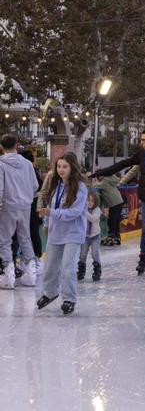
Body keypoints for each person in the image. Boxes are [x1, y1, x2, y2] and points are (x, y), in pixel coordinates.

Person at [90, 127, 145, 275]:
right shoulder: (141, 154)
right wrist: (99, 173)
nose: (141, 143)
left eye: (144, 140)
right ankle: (143, 259)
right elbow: (122, 165)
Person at [36, 153, 88, 315]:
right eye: (59, 166)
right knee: (50, 265)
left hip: (73, 233)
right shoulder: (55, 185)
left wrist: (52, 213)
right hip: (56, 232)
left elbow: (75, 212)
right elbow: (50, 205)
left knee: (67, 267)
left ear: (72, 167)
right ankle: (50, 292)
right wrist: (47, 223)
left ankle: (69, 298)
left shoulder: (80, 187)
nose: (61, 170)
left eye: (65, 166)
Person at [0, 134, 41, 288]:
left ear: (2, 146)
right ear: (17, 145)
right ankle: (31, 275)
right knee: (25, 238)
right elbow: (35, 186)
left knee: (4, 240)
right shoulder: (27, 164)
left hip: (7, 207)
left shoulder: (1, 164)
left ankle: (8, 276)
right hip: (25, 206)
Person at [77, 192, 102, 282]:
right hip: (85, 236)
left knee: (95, 253)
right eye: (88, 201)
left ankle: (97, 270)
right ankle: (81, 270)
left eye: (92, 201)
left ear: (95, 202)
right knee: (82, 254)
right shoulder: (84, 210)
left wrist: (83, 210)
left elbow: (92, 218)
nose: (90, 203)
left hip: (95, 236)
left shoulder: (97, 210)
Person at [93, 173, 125, 246]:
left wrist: (92, 182)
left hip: (114, 203)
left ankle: (111, 238)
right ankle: (117, 238)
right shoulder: (110, 179)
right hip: (119, 201)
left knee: (112, 221)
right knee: (116, 221)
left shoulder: (104, 182)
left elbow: (94, 186)